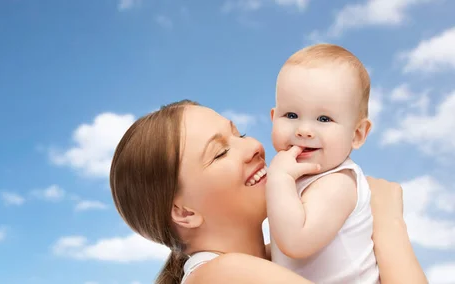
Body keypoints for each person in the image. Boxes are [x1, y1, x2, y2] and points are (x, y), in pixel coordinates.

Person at [109, 100, 427, 284]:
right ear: (184, 213)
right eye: (219, 153)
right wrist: (386, 223)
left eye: (239, 134)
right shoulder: (223, 275)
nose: (253, 147)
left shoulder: (282, 257)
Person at [265, 43, 378, 283]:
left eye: (324, 119)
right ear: (274, 118)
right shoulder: (297, 176)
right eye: (292, 115)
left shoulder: (338, 183)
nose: (304, 130)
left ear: (357, 134)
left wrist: (279, 179)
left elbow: (295, 242)